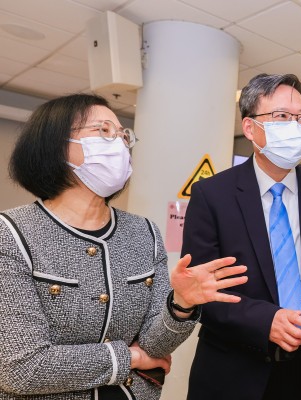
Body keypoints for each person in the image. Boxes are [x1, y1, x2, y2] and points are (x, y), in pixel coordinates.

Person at [0, 93, 248, 400]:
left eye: (122, 135)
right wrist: (131, 358)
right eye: (103, 131)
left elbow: (156, 346)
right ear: (55, 144)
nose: (118, 143)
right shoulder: (11, 233)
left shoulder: (144, 232)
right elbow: (21, 369)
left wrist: (181, 304)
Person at [181, 73, 301, 400]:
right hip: (234, 373)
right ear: (250, 128)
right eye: (282, 116)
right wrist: (269, 320)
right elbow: (201, 293)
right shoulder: (212, 195)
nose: (295, 126)